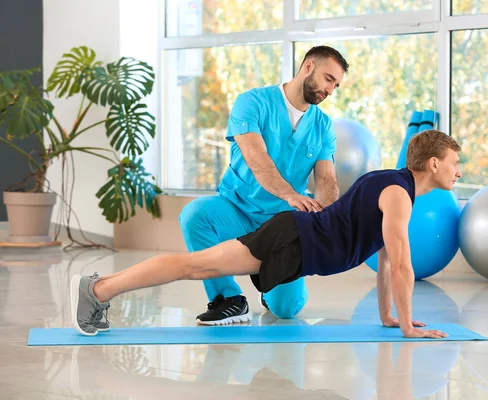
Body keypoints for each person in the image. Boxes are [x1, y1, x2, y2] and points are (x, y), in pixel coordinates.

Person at [71, 129, 462, 339]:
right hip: (292, 239)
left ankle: (99, 289)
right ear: (433, 163)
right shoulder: (397, 193)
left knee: (196, 267)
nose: (457, 171)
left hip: (296, 241)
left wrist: (390, 317)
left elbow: (387, 260)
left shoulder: (392, 184)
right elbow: (402, 265)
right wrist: (410, 327)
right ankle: (99, 290)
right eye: (454, 163)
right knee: (195, 267)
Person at [178, 45, 348, 325]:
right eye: (328, 79)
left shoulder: (323, 125)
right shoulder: (252, 102)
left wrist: (325, 219)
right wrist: (291, 194)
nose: (331, 90)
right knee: (195, 215)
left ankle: (267, 283)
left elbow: (327, 179)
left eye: (336, 85)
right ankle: (229, 298)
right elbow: (257, 159)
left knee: (286, 309)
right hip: (237, 207)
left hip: (282, 222)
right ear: (308, 67)